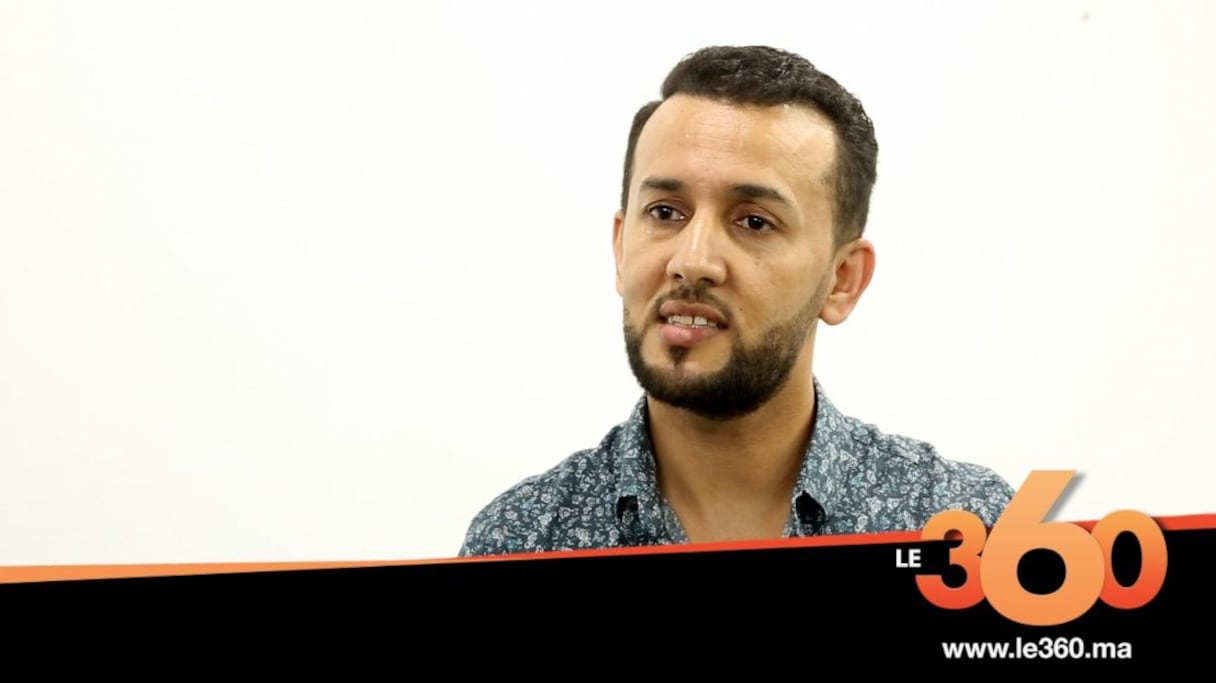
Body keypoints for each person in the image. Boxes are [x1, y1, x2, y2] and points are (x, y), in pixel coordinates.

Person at [459, 45, 1014, 557]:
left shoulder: (970, 533)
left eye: (754, 221)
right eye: (665, 212)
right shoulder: (520, 541)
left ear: (842, 280)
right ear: (620, 249)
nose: (692, 260)